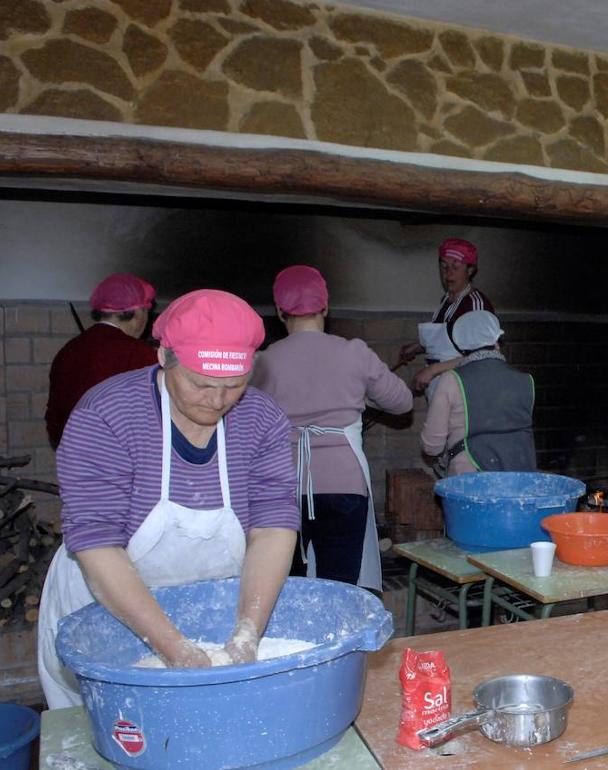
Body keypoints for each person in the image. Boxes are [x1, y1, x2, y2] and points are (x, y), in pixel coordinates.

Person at [37, 289, 299, 709]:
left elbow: (272, 527)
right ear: (163, 357)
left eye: (234, 385)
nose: (217, 401)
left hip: (211, 610)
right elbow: (97, 543)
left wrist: (247, 632)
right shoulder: (106, 414)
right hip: (107, 605)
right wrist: (175, 650)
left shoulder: (261, 419)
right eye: (200, 384)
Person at [252, 265, 414, 591]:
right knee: (340, 589)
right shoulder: (354, 353)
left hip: (283, 486)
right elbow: (403, 402)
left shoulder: (263, 361)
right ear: (325, 307)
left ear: (281, 312)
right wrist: (360, 396)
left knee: (287, 588)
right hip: (345, 485)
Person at [45, 273, 157, 449]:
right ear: (137, 313)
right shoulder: (138, 354)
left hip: (72, 456)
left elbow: (54, 417)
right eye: (146, 311)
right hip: (117, 459)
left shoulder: (68, 350)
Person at [420, 310, 535, 474]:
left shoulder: (451, 380)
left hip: (471, 480)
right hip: (520, 477)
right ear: (496, 340)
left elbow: (432, 446)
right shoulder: (526, 380)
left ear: (460, 345)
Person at [397, 237, 495, 393]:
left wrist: (433, 370)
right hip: (441, 387)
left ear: (470, 270)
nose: (448, 273)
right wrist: (416, 348)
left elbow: (485, 356)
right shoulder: (446, 300)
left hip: (464, 389)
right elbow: (447, 341)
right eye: (444, 266)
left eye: (455, 267)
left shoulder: (476, 305)